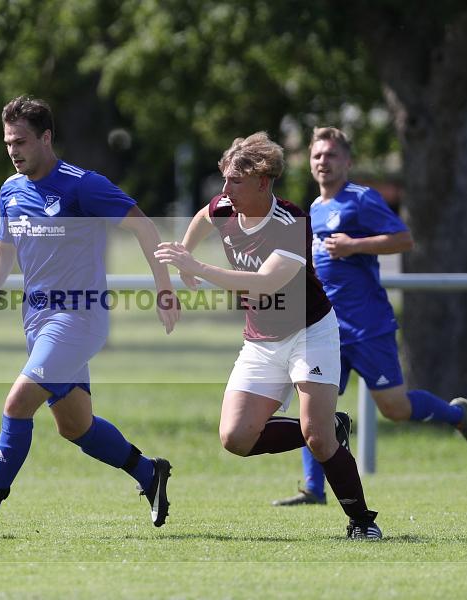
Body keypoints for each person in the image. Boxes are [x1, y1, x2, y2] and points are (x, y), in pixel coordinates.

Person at [0, 96, 180, 537]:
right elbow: (4, 247)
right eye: (8, 143)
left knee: (17, 404)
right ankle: (149, 473)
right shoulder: (10, 189)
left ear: (46, 138)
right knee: (76, 427)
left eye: (21, 142)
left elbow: (143, 225)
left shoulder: (82, 185)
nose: (13, 151)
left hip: (78, 318)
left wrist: (164, 288)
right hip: (37, 321)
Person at [155, 131, 382, 539]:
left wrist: (197, 267)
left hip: (310, 333)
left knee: (318, 439)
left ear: (263, 182)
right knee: (235, 438)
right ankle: (330, 427)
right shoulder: (226, 206)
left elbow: (263, 283)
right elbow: (204, 216)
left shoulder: (290, 222)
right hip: (261, 340)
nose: (225, 190)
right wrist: (186, 255)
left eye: (235, 181)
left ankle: (363, 522)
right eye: (224, 179)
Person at [272, 126, 467, 508]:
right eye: (317, 155)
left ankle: (457, 415)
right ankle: (313, 489)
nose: (323, 161)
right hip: (326, 329)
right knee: (312, 406)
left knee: (395, 409)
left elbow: (404, 239)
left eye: (331, 155)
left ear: (347, 161)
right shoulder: (315, 208)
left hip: (368, 327)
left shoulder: (361, 199)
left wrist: (354, 245)